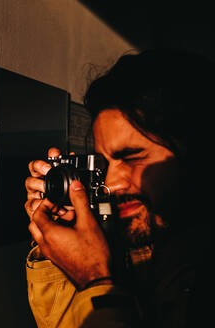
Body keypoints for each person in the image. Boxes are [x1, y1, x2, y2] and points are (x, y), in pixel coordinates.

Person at [24, 49, 213, 327]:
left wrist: (97, 279)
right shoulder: (142, 252)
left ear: (197, 152)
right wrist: (64, 253)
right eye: (104, 163)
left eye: (132, 158)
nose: (110, 184)